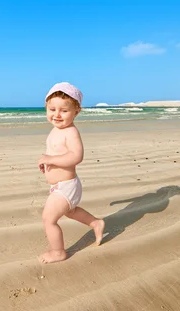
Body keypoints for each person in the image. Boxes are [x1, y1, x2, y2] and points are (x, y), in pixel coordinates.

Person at [38, 82, 105, 263]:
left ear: (76, 112)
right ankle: (95, 223)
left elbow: (76, 156)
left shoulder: (71, 132)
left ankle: (58, 252)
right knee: (71, 212)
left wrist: (50, 160)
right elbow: (57, 154)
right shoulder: (55, 131)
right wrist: (47, 163)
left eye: (64, 111)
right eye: (52, 109)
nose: (57, 115)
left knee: (48, 219)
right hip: (59, 186)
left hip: (66, 186)